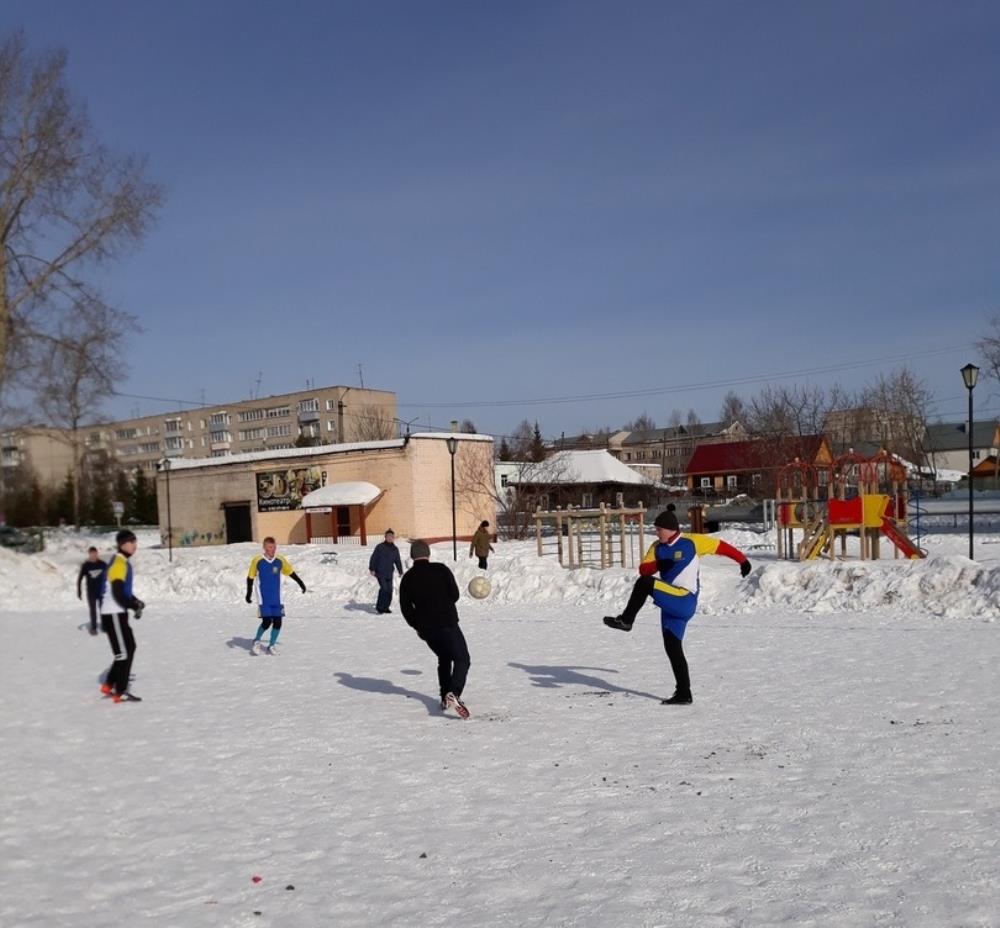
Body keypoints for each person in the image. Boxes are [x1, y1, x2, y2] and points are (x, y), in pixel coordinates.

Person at [603, 509, 751, 705]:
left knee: (645, 584)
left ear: (670, 529)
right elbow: (644, 569)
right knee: (672, 647)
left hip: (684, 599)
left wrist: (742, 560)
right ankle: (684, 693)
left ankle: (626, 620)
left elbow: (721, 547)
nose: (656, 533)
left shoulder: (692, 541)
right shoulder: (657, 547)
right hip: (670, 603)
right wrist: (659, 563)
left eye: (659, 529)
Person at [399, 539, 471, 718]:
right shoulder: (441, 569)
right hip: (447, 622)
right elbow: (454, 595)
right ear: (428, 553)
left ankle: (444, 698)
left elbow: (405, 608)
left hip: (427, 629)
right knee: (462, 659)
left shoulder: (407, 578)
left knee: (444, 658)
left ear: (412, 556)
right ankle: (453, 693)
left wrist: (417, 626)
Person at [98, 530, 146, 703]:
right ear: (122, 544)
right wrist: (132, 605)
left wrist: (135, 601)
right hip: (113, 612)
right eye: (131, 541)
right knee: (123, 653)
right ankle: (120, 691)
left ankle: (109, 683)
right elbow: (117, 593)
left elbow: (123, 591)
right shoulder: (119, 562)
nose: (134, 545)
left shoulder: (122, 562)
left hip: (117, 612)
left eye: (135, 541)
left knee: (129, 647)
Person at [246, 536, 306, 654]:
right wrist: (248, 594)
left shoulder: (280, 560)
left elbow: (290, 572)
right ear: (264, 547)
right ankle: (257, 640)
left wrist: (301, 583)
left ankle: (271, 646)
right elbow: (250, 577)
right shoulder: (257, 560)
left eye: (274, 547)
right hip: (264, 598)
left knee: (278, 622)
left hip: (277, 598)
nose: (272, 549)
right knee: (267, 621)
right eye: (269, 547)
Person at [368, 529, 403, 614]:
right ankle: (380, 607)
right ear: (385, 537)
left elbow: (397, 560)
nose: (390, 538)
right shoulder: (380, 547)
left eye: (391, 537)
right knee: (384, 589)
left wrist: (400, 571)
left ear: (393, 538)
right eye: (388, 536)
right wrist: (372, 569)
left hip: (389, 573)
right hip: (380, 572)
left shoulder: (395, 549)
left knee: (389, 590)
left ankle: (386, 606)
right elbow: (373, 558)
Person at [77, 546, 107, 635]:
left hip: (102, 591)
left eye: (95, 554)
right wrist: (79, 591)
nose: (94, 556)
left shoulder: (103, 564)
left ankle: (105, 626)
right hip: (91, 592)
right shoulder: (86, 565)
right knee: (93, 610)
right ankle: (93, 628)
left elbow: (109, 576)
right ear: (89, 555)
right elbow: (80, 579)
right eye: (92, 554)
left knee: (104, 609)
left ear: (97, 554)